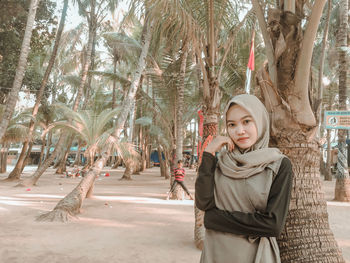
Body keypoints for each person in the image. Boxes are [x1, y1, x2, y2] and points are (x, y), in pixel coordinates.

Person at [195, 94, 293, 263]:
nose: (239, 131)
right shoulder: (221, 162)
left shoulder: (278, 165)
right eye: (232, 125)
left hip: (256, 255)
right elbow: (204, 203)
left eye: (247, 121)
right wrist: (209, 154)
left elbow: (272, 225)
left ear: (260, 121)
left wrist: (213, 219)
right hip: (216, 252)